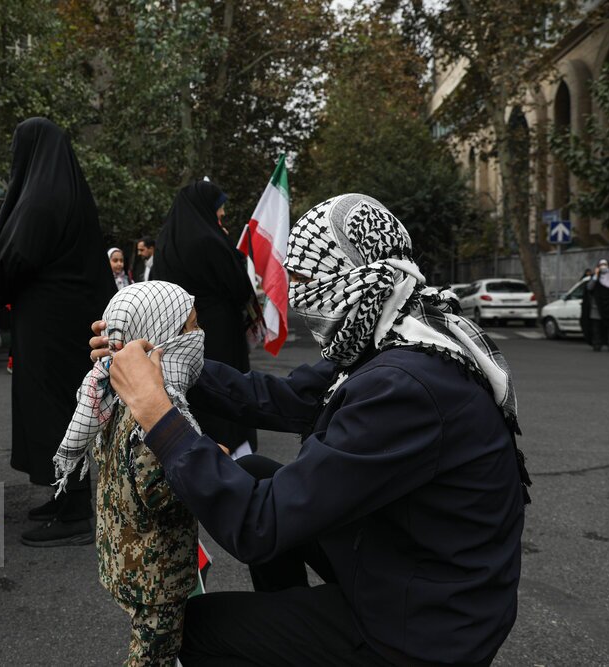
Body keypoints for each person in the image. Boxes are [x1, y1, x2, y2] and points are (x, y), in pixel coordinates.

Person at [99, 193, 530, 666]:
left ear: (351, 276)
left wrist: (157, 412)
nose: (297, 297)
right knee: (256, 469)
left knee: (195, 628)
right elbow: (284, 398)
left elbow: (257, 525)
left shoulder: (402, 387)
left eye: (305, 281)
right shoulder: (396, 334)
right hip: (416, 564)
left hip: (428, 626)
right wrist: (169, 355)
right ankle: (292, 632)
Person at [0, 117, 116, 547]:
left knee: (56, 411)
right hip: (63, 324)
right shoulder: (65, 190)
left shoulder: (42, 199)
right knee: (63, 409)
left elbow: (18, 256)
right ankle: (64, 498)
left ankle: (75, 509)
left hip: (50, 328)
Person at [54, 281, 202, 666]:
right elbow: (160, 490)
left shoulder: (116, 389)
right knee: (153, 655)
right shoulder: (155, 410)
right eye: (190, 327)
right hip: (155, 572)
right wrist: (210, 460)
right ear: (158, 336)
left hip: (128, 558)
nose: (199, 336)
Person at [149, 181, 257, 456]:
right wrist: (227, 246)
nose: (221, 215)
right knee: (226, 397)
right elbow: (240, 288)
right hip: (220, 336)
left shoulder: (166, 243)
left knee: (195, 401)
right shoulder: (210, 241)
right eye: (219, 210)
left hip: (179, 339)